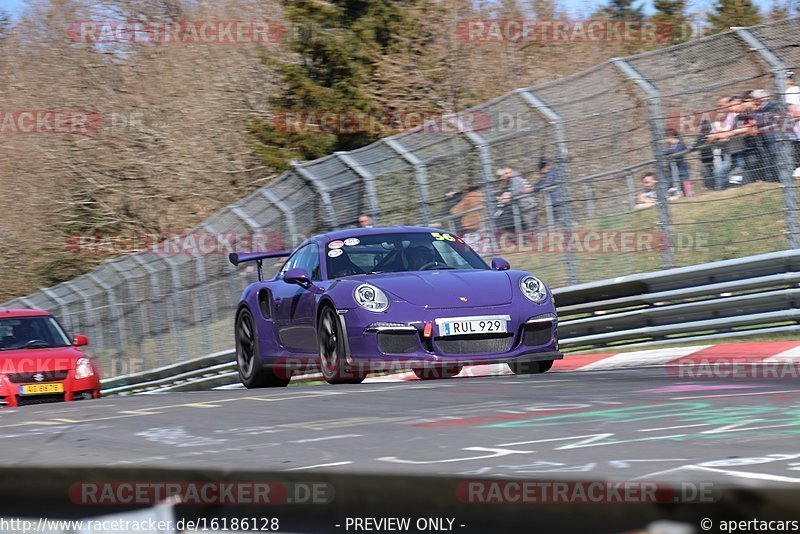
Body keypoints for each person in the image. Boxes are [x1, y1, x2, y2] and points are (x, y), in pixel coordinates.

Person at [499, 166, 538, 230]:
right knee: (529, 229)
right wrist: (504, 196)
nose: (506, 175)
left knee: (531, 229)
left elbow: (517, 191)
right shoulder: (511, 181)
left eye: (508, 173)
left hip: (528, 207)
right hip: (526, 207)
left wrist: (508, 195)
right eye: (505, 174)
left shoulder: (515, 179)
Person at [533, 158, 560, 225]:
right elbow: (542, 182)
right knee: (558, 221)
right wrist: (534, 187)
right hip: (556, 200)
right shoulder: (550, 173)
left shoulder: (552, 172)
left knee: (561, 220)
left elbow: (546, 184)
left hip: (557, 200)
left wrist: (534, 188)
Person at [664, 129, 691, 197]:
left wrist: (669, 151)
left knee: (686, 192)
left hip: (682, 173)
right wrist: (669, 151)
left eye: (666, 138)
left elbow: (676, 152)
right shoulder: (670, 147)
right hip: (672, 174)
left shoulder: (681, 144)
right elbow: (664, 153)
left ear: (671, 137)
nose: (665, 140)